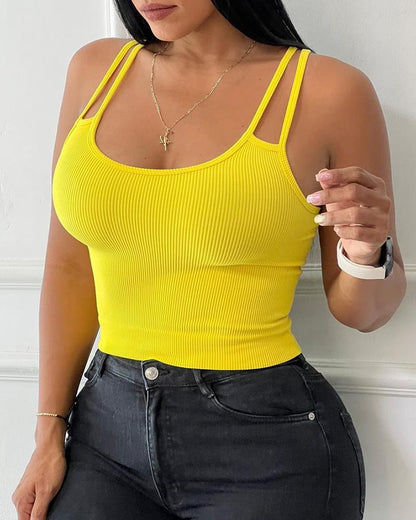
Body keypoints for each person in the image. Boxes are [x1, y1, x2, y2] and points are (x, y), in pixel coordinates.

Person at [12, 1, 406, 519]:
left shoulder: (329, 91)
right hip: (103, 434)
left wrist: (365, 251)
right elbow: (70, 267)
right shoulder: (95, 70)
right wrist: (48, 433)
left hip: (265, 445)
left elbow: (365, 313)